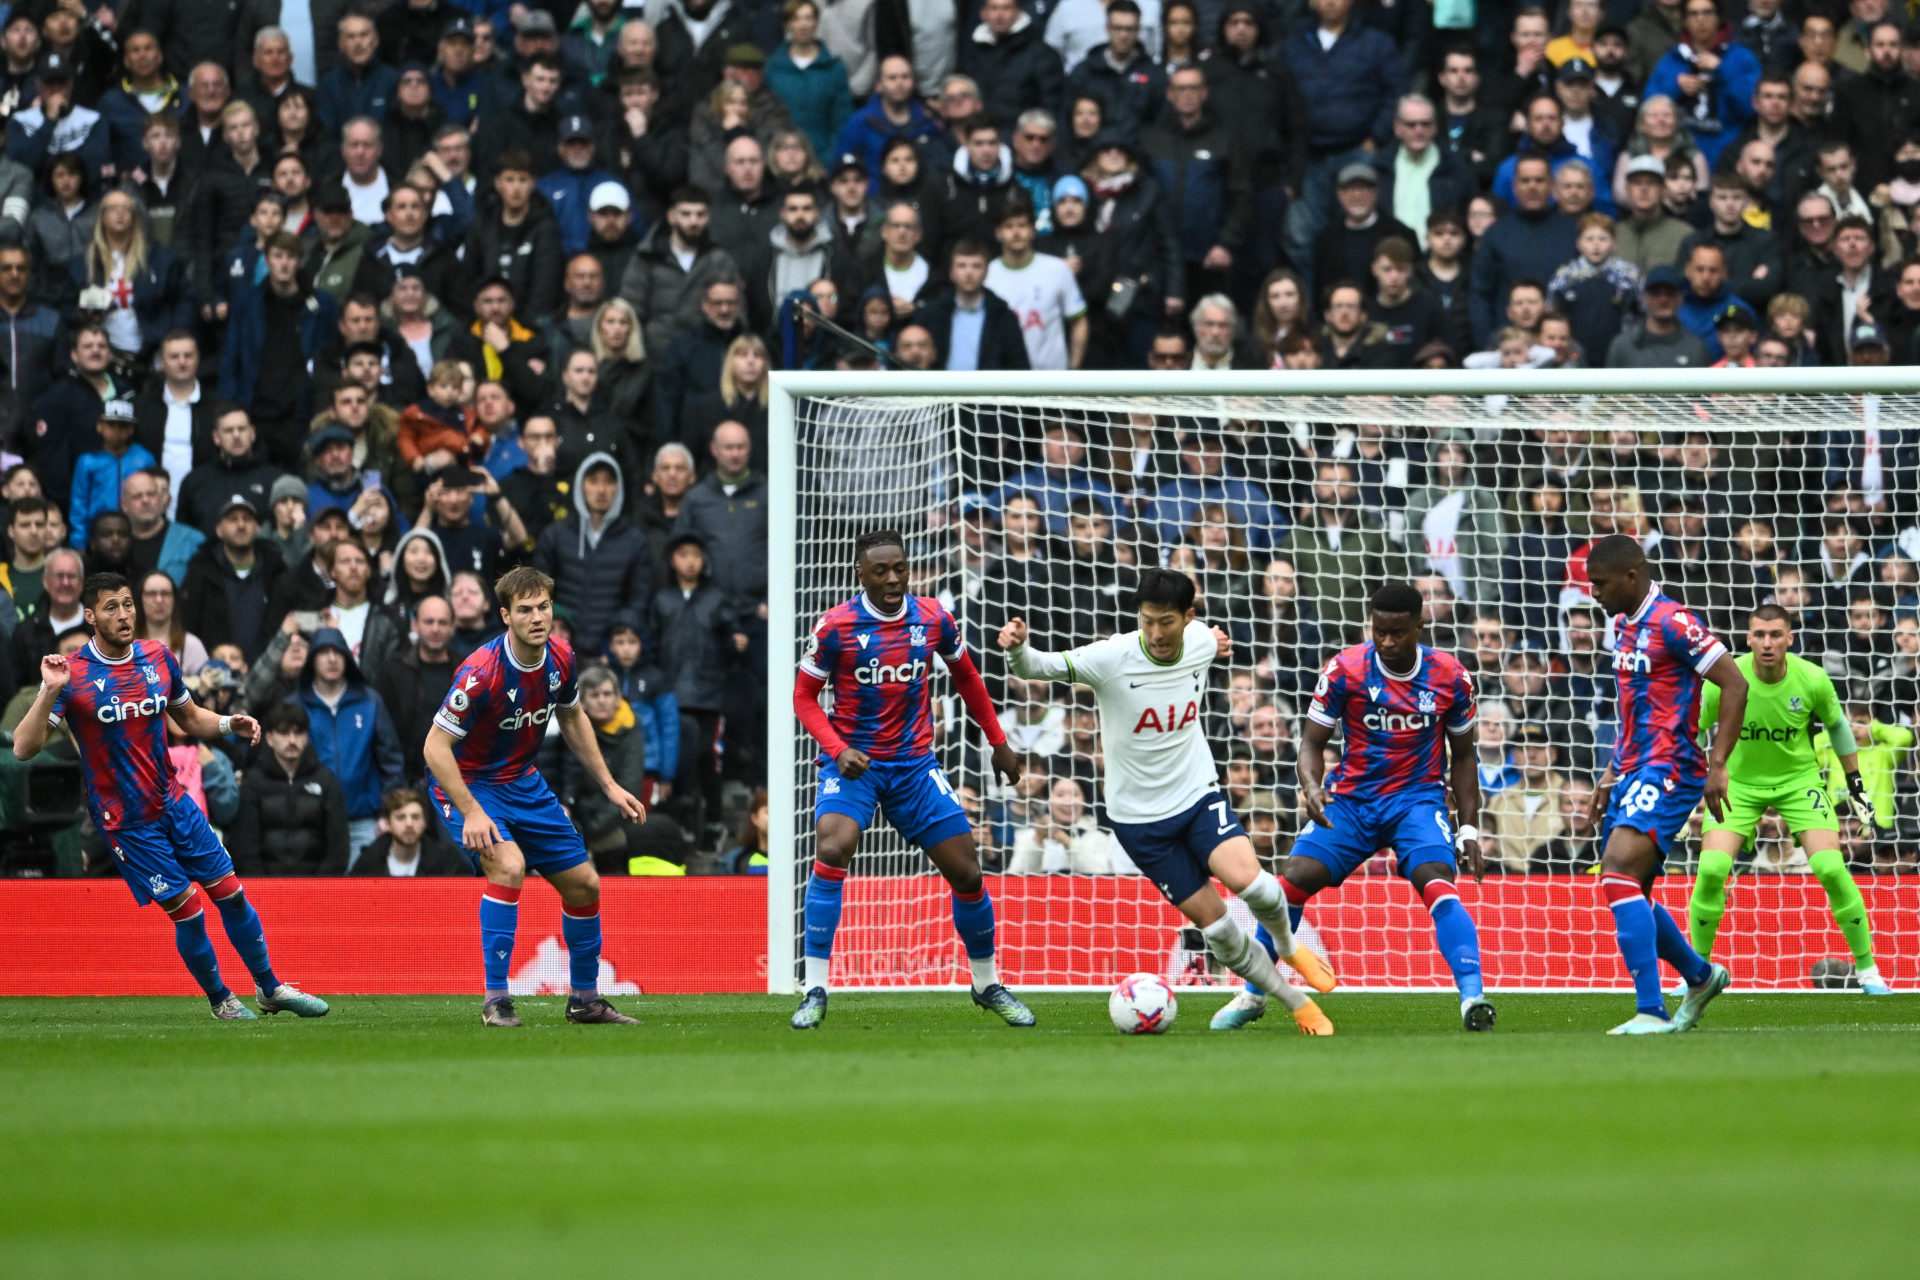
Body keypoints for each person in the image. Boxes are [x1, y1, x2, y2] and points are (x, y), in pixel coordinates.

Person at [1000, 568, 1336, 1033]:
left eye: (1166, 622)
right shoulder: (1111, 656)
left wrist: (1214, 642)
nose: (1156, 633)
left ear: (1188, 617)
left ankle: (1287, 945)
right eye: (1147, 621)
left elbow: (1209, 640)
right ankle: (1295, 1001)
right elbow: (1036, 667)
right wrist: (1017, 647)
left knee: (1257, 886)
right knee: (1219, 932)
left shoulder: (1199, 640)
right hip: (1140, 823)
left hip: (1197, 795)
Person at [11, 572, 328, 1021]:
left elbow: (189, 717)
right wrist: (48, 691)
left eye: (127, 604)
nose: (123, 615)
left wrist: (226, 724)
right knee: (190, 910)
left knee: (232, 894)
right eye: (110, 607)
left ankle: (270, 988)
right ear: (90, 616)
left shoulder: (158, 657)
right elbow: (24, 748)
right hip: (127, 821)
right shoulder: (73, 673)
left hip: (174, 803)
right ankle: (222, 1000)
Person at [790, 528, 1033, 1029]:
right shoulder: (835, 627)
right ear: (861, 573)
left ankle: (987, 984)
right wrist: (837, 749)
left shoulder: (933, 617)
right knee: (833, 848)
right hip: (854, 765)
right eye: (881, 570)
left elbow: (965, 676)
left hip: (915, 767)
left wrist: (999, 741)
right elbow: (803, 698)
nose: (894, 578)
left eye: (900, 567)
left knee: (967, 872)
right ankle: (814, 987)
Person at [423, 566, 647, 1027]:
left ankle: (585, 1000)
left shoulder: (562, 657)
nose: (537, 617)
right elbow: (433, 747)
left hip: (523, 782)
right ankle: (496, 1000)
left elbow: (572, 715)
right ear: (506, 616)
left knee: (584, 883)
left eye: (543, 606)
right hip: (470, 784)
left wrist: (609, 785)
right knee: (509, 865)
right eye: (524, 610)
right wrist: (471, 811)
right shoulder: (479, 672)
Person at [1279, 581, 1493, 1032]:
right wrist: (1312, 786)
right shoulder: (1344, 670)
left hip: (1417, 799)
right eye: (1379, 632)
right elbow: (1311, 742)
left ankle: (1473, 996)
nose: (1387, 642)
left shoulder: (1451, 677)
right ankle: (1254, 993)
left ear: (1420, 625)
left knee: (1436, 879)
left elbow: (1466, 756)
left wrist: (1468, 828)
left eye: (1398, 633)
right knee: (1294, 879)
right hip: (1354, 798)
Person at [1582, 533, 1747, 1034]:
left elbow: (1735, 683)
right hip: (1633, 769)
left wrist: (1718, 765)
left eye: (1600, 583)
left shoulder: (1674, 622)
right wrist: (1610, 774)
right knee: (1636, 890)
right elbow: (1633, 707)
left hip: (1671, 767)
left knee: (1616, 872)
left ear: (1632, 576)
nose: (1593, 593)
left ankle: (1651, 1011)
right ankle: (1700, 977)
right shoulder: (1622, 625)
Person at [1687, 605, 1891, 993]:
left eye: (1775, 635)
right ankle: (1697, 974)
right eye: (1759, 635)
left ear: (1790, 638)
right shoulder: (1723, 679)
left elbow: (1839, 728)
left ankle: (1867, 970)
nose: (1767, 643)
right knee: (1712, 870)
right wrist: (1683, 783)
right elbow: (1695, 732)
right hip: (1739, 785)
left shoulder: (1811, 678)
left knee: (1831, 868)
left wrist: (1857, 786)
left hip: (1799, 782)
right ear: (1748, 639)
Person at [228, 699, 350, 877]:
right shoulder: (253, 782)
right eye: (284, 733)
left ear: (306, 737)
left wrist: (320, 888)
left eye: (298, 732)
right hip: (265, 890)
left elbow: (338, 848)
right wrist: (264, 888)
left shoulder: (326, 780)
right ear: (269, 738)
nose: (292, 740)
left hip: (318, 890)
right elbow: (245, 847)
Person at [345, 786, 468, 876]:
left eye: (415, 817)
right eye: (400, 817)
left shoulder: (446, 859)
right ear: (388, 823)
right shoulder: (369, 861)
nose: (409, 824)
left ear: (425, 822)